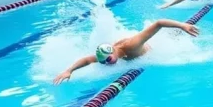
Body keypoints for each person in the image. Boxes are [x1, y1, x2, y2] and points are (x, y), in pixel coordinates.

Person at [53, 19, 200, 84]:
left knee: (171, 38)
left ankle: (177, 32)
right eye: (103, 62)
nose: (106, 63)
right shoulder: (107, 55)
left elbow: (159, 23)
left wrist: (182, 25)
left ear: (113, 53)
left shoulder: (131, 45)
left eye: (108, 60)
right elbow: (86, 60)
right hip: (136, 52)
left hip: (152, 50)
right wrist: (69, 70)